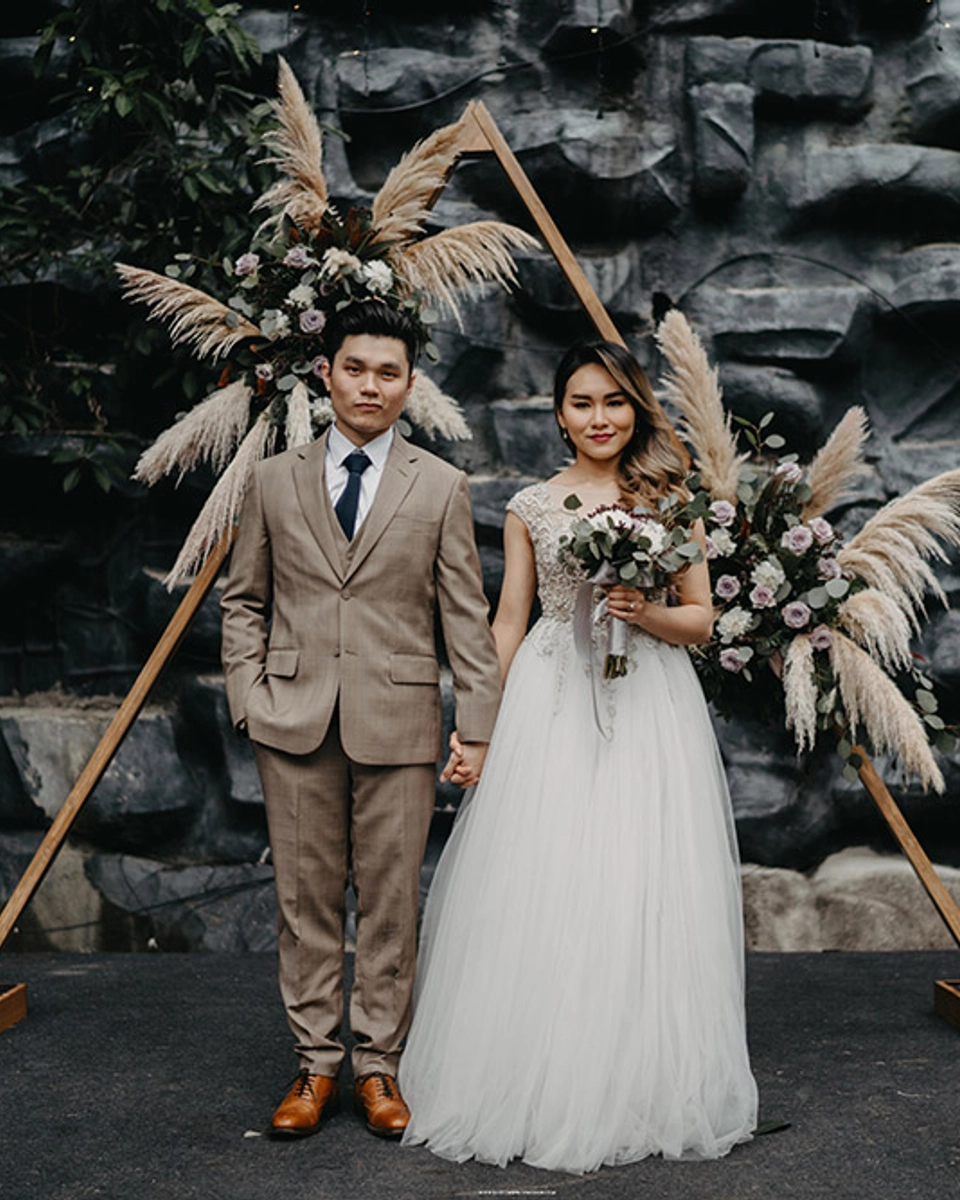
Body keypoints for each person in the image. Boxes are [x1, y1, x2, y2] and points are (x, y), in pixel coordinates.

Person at [399, 339, 758, 1172]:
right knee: (546, 876)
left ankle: (638, 1081)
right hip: (553, 695)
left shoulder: (671, 499)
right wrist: (477, 725)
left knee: (640, 878)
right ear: (560, 415)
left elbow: (701, 619)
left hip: (648, 702)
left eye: (615, 401)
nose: (600, 418)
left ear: (636, 408)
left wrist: (642, 610)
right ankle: (534, 1077)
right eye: (583, 403)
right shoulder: (531, 505)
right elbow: (509, 620)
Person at [219, 300, 502, 1140]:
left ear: (410, 384)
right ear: (326, 374)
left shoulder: (440, 486)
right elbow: (244, 601)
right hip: (292, 719)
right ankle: (315, 1065)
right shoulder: (273, 479)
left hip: (399, 720)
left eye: (388, 372)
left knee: (390, 902)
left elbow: (465, 615)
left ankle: (379, 1066)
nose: (370, 385)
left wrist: (477, 726)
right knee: (303, 900)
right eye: (355, 368)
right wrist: (248, 696)